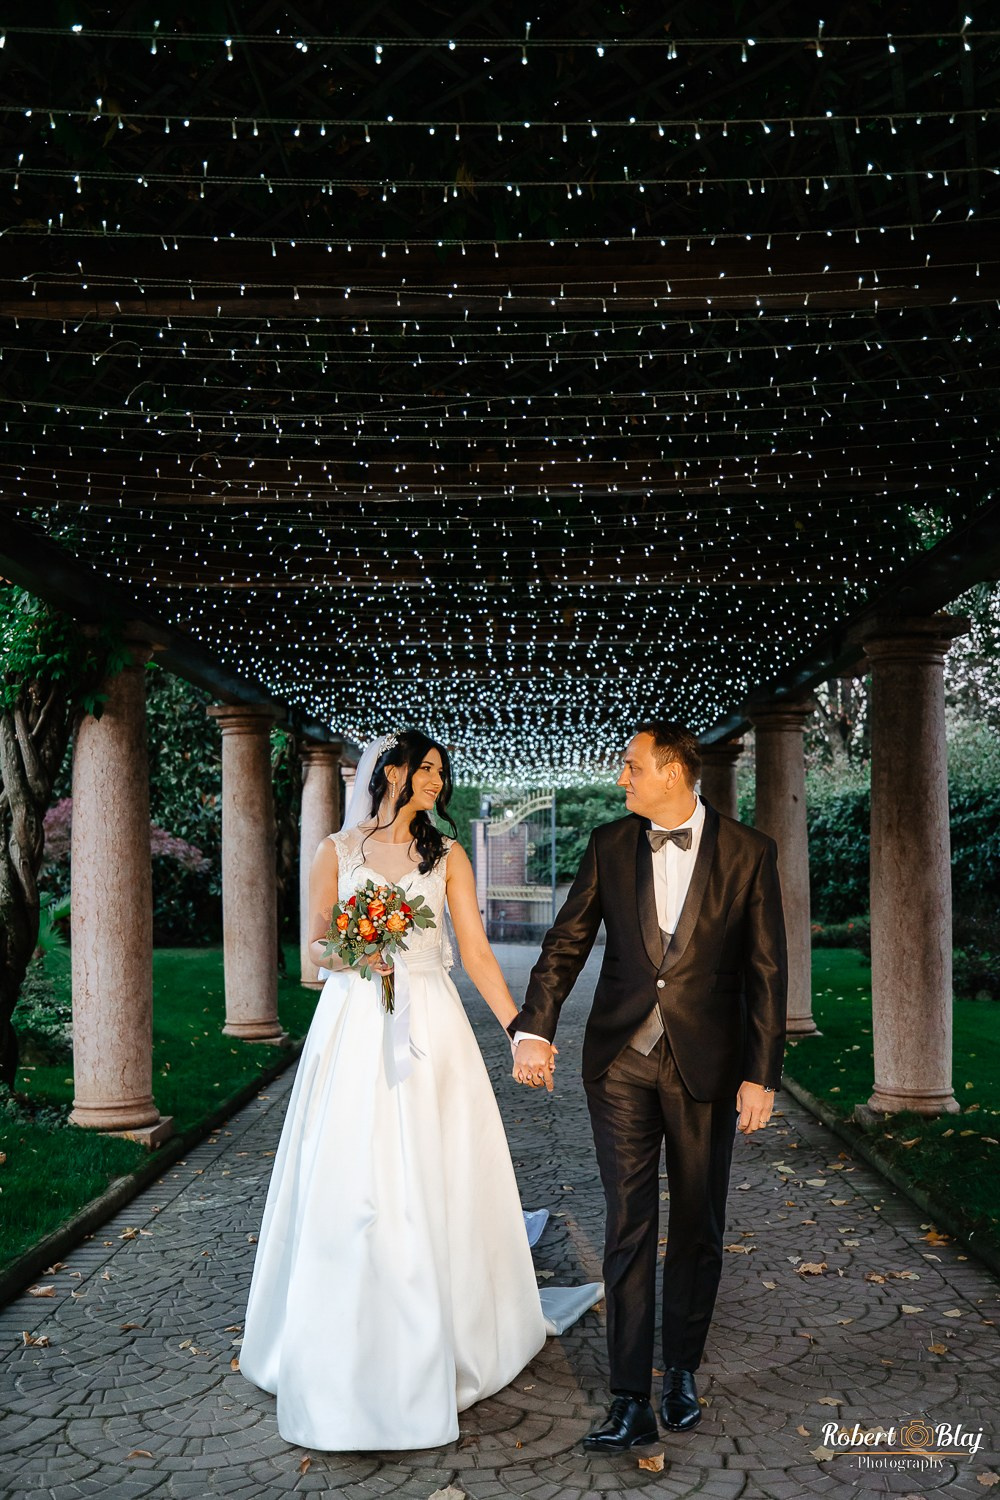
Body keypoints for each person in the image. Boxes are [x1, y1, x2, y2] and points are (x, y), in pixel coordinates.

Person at [239, 729, 553, 1451]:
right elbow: (312, 953)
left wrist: (519, 1029)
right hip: (353, 1022)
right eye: (424, 768)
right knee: (354, 1175)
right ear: (389, 772)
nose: (435, 781)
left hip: (430, 1024)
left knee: (433, 1166)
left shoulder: (447, 855)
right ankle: (341, 1336)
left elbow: (473, 950)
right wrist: (359, 947)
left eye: (443, 771)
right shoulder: (336, 852)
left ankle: (446, 1332)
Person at [511, 720, 787, 1453]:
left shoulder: (751, 853)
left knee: (697, 1224)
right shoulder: (609, 845)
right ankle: (630, 1395)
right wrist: (534, 1025)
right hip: (621, 1067)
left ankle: (682, 1372)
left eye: (632, 767)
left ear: (671, 770)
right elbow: (567, 940)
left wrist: (762, 1074)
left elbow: (766, 974)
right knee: (629, 1225)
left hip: (707, 1066)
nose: (621, 779)